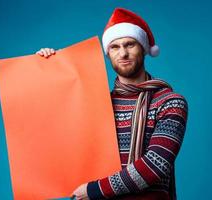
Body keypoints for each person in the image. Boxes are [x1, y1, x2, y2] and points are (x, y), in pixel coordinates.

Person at [36, 7, 188, 200]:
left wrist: (93, 190)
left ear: (143, 48)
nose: (123, 53)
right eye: (115, 47)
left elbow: (155, 165)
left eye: (130, 44)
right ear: (108, 53)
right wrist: (50, 67)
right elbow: (55, 127)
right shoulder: (97, 105)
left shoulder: (170, 102)